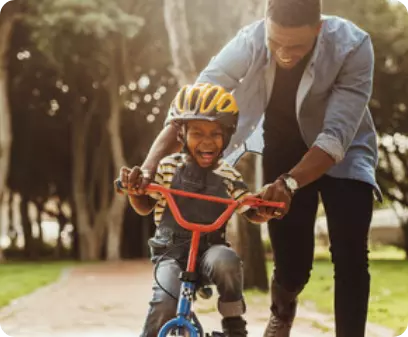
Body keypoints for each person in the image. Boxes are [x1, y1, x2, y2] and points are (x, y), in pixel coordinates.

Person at [127, 0, 381, 336]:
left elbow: (335, 138)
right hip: (284, 151)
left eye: (297, 46)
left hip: (345, 152)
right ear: (266, 25)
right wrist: (149, 166)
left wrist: (290, 184)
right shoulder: (250, 40)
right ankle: (282, 312)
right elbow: (192, 107)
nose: (285, 54)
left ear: (319, 29)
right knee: (292, 266)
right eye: (277, 43)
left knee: (350, 255)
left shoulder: (354, 45)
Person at [119, 83, 280, 337]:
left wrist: (265, 209)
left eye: (215, 133)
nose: (207, 142)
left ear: (227, 136)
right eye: (197, 133)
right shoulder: (167, 167)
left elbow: (249, 208)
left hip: (209, 252)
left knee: (227, 261)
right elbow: (144, 206)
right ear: (181, 135)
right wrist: (134, 192)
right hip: (170, 253)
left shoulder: (228, 175)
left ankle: (234, 325)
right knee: (165, 300)